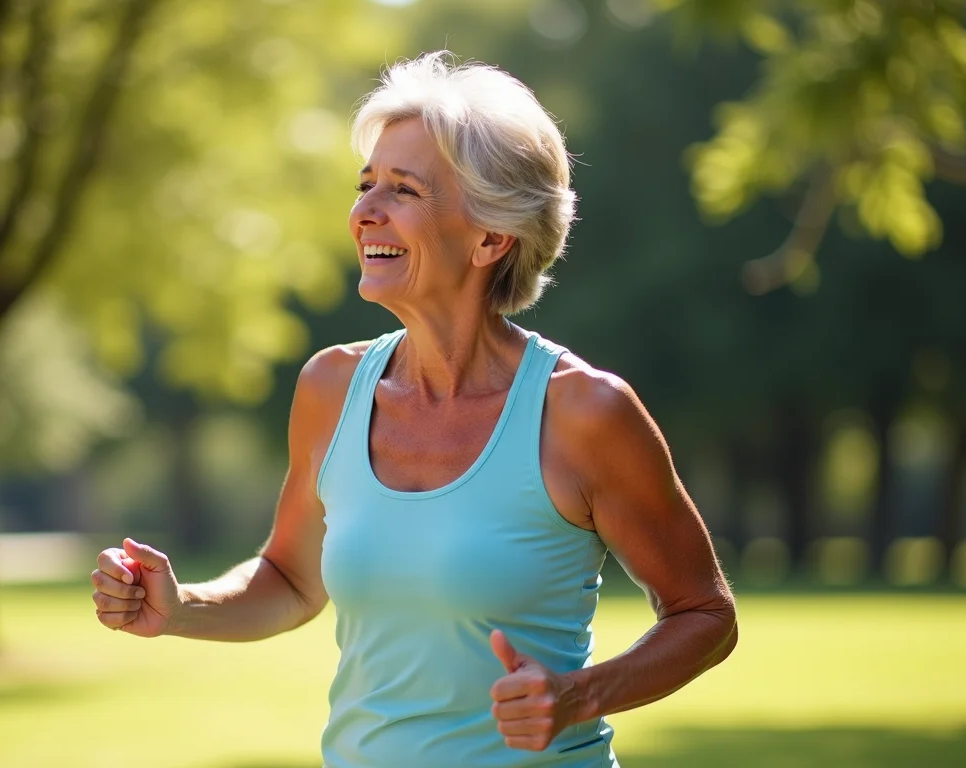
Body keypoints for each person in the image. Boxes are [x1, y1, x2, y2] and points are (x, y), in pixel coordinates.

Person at [91, 52, 737, 767]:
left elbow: (704, 615)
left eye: (403, 190)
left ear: (491, 237)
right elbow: (292, 578)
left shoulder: (583, 411)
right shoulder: (331, 389)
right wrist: (184, 607)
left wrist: (580, 696)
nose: (364, 211)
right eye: (366, 184)